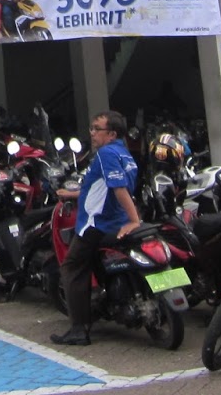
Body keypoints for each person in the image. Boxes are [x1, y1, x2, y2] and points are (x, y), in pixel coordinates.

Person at [50, 110, 142, 347]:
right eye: (91, 128)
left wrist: (134, 220)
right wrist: (72, 194)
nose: (92, 133)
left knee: (71, 267)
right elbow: (101, 187)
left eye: (97, 129)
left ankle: (79, 329)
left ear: (112, 134)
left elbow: (118, 187)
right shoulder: (125, 153)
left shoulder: (106, 154)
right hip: (115, 220)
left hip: (98, 223)